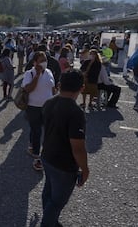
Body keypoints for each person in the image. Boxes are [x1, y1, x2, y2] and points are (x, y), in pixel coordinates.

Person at [41, 69, 89, 226]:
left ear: (60, 84)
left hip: (47, 156)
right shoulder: (75, 112)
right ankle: (48, 222)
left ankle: (51, 220)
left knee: (48, 192)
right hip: (64, 165)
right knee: (57, 201)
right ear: (81, 88)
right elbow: (78, 148)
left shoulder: (49, 103)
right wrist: (85, 169)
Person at [21, 51, 56, 171]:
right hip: (33, 107)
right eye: (41, 60)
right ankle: (36, 155)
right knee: (36, 130)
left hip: (48, 107)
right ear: (35, 62)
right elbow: (28, 89)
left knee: (46, 131)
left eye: (45, 59)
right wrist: (37, 75)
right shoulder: (29, 73)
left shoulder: (49, 72)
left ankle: (36, 147)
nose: (44, 62)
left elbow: (53, 89)